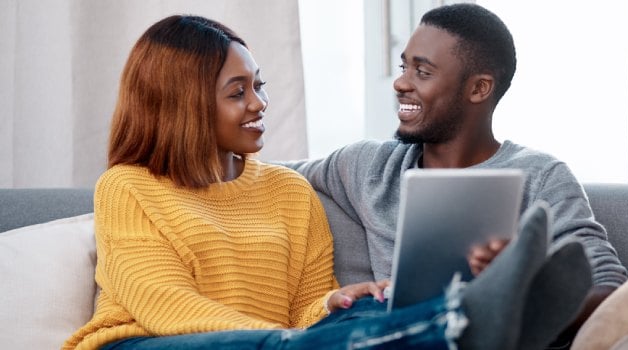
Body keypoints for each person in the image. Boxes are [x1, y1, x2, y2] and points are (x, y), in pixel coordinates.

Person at [62, 14, 593, 350]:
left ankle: (474, 315)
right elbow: (164, 305)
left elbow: (306, 308)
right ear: (183, 105)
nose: (260, 105)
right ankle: (464, 321)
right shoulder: (128, 188)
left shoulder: (289, 191)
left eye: (260, 86)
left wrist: (336, 303)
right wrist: (292, 338)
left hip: (286, 344)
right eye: (238, 92)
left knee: (365, 307)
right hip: (147, 342)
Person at [279, 3, 628, 346]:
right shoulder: (367, 165)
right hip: (394, 332)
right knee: (360, 316)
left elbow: (609, 287)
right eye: (403, 67)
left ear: (479, 88)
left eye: (422, 72)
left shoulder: (540, 175)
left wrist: (531, 289)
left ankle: (508, 304)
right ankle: (483, 310)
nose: (400, 83)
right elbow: (264, 177)